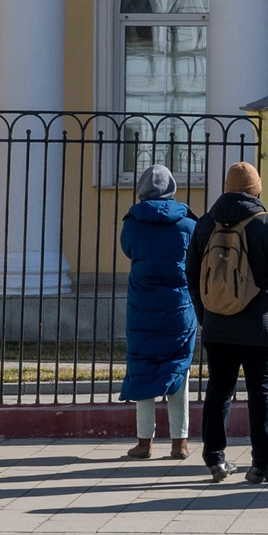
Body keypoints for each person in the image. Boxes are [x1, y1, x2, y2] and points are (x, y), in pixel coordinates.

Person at [184, 161, 268, 484]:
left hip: (217, 326)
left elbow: (191, 273)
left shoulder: (205, 225)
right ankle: (261, 464)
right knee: (260, 392)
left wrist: (205, 313)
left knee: (218, 390)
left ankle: (214, 458)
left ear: (226, 189)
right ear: (256, 191)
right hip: (259, 326)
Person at [117, 163, 197, 460]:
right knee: (178, 371)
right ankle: (180, 443)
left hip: (143, 308)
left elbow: (128, 250)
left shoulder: (132, 223)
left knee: (143, 368)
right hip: (178, 308)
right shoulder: (188, 224)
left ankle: (144, 443)